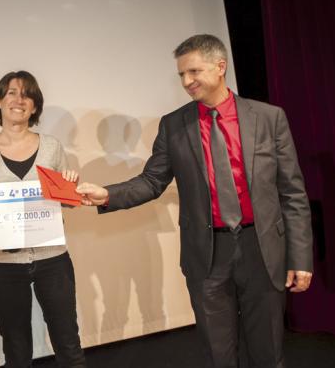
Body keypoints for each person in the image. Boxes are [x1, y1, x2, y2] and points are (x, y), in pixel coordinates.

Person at [76, 34, 313, 368]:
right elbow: (152, 181)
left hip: (262, 250)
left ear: (220, 67)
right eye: (181, 75)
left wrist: (300, 257)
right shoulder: (174, 125)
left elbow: (293, 193)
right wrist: (108, 194)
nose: (187, 81)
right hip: (207, 254)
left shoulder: (268, 118)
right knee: (218, 355)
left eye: (193, 72)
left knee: (268, 352)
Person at [0, 71, 86, 368]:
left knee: (67, 342)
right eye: (11, 93)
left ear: (35, 107)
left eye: (27, 95)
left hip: (53, 259)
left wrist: (71, 187)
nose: (19, 100)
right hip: (5, 266)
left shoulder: (52, 147)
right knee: (16, 347)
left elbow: (69, 203)